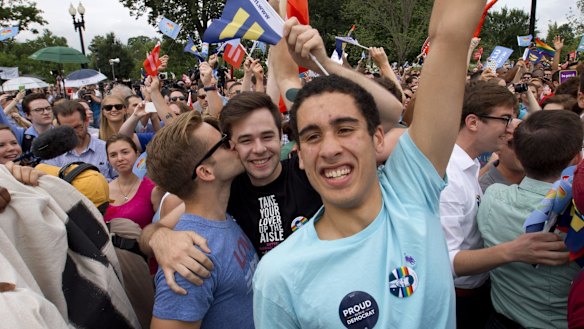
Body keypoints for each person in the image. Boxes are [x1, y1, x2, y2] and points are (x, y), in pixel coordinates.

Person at [252, 0, 487, 325]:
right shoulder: (279, 276)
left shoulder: (413, 186)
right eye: (313, 137)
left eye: (345, 129)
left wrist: (325, 64)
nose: (330, 148)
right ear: (300, 156)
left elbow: (449, 34)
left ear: (378, 138)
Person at [146, 111, 257, 329]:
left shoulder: (217, 219)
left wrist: (157, 235)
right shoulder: (189, 261)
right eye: (224, 143)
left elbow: (155, 228)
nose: (234, 144)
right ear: (205, 171)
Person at [477, 110, 581, 328]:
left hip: (497, 320)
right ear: (576, 160)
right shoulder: (577, 215)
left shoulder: (493, 195)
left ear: (520, 157)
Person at [44, 100, 116, 181]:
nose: (73, 133)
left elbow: (121, 181)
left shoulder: (106, 149)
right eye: (67, 129)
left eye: (78, 127)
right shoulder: (55, 155)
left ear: (86, 121)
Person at [104, 134, 160, 229]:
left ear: (137, 154)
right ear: (108, 160)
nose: (120, 158)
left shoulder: (153, 189)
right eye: (113, 155)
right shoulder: (104, 190)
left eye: (125, 152)